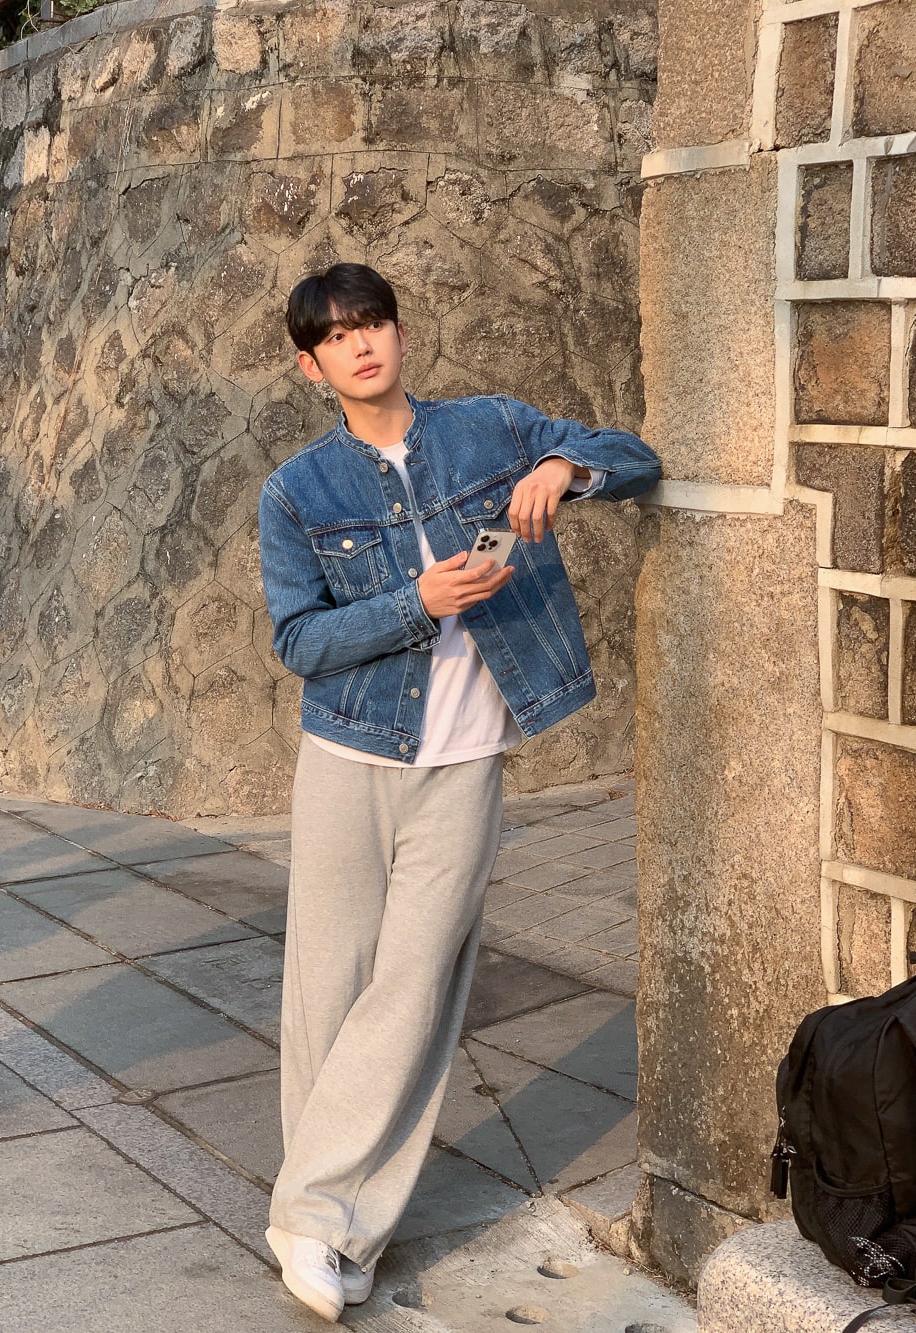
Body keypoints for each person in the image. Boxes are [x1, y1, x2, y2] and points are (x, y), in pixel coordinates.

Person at [257, 262, 661, 1321]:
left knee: (417, 986)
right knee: (328, 993)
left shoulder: (492, 429)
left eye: (372, 322)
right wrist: (417, 601)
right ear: (310, 366)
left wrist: (566, 466)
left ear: (399, 332)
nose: (360, 344)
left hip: (464, 761)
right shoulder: (297, 491)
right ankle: (330, 1224)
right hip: (349, 758)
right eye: (335, 336)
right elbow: (299, 641)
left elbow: (636, 457)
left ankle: (312, 1217)